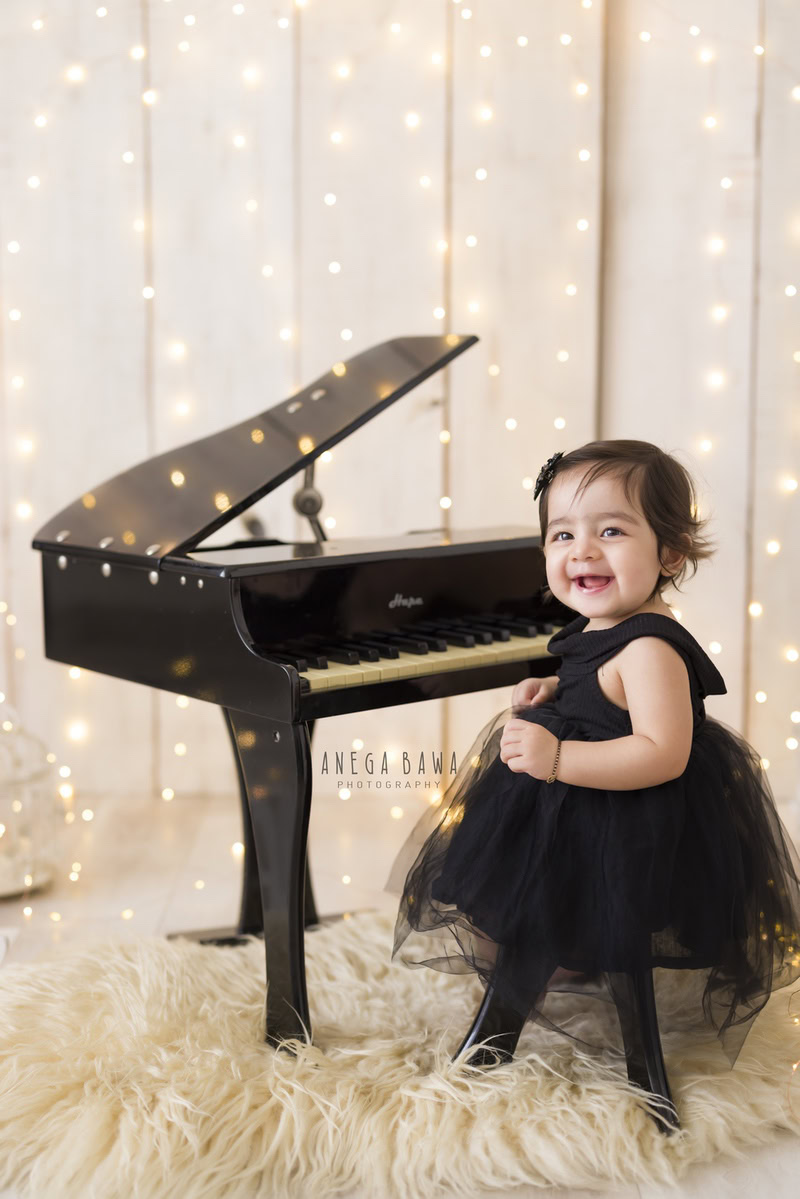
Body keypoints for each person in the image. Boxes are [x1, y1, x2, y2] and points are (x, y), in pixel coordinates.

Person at [384, 439, 800, 1074]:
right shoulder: (601, 626)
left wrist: (555, 759)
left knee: (545, 912)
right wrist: (555, 689)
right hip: (578, 799)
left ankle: (527, 1040)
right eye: (561, 535)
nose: (581, 550)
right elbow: (600, 684)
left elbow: (663, 753)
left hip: (624, 822)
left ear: (670, 552)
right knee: (534, 907)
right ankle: (528, 1000)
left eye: (611, 530)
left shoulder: (650, 649)